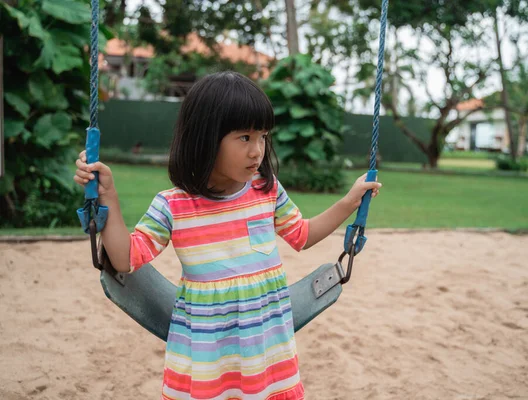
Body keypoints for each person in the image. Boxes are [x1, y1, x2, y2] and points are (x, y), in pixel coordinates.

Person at [73, 71, 382, 400]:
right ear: (206, 138)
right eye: (244, 138)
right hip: (209, 356)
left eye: (262, 136)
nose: (257, 151)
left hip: (265, 348)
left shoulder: (267, 190)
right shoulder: (175, 206)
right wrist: (108, 199)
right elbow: (124, 258)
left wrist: (350, 202)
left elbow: (302, 235)